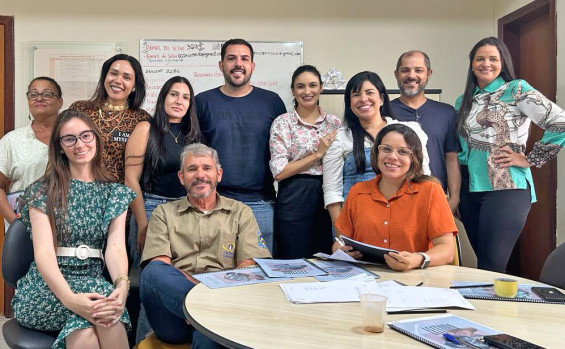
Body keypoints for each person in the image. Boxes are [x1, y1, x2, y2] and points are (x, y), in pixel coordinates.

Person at [13, 109, 135, 349]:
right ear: (59, 146)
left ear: (96, 140)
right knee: (104, 314)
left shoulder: (115, 192)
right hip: (46, 288)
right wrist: (70, 300)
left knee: (95, 324)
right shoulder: (42, 191)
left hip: (91, 282)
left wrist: (122, 284)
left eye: (85, 136)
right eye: (70, 139)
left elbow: (115, 248)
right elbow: (44, 255)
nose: (80, 144)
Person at [139, 143, 271, 347]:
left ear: (219, 174)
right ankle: (206, 310)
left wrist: (210, 304)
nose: (200, 175)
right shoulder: (163, 213)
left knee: (209, 329)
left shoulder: (240, 212)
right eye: (192, 169)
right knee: (153, 272)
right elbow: (160, 267)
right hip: (175, 316)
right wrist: (201, 296)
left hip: (224, 305)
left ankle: (206, 314)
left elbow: (249, 266)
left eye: (206, 168)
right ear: (182, 178)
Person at [455, 37, 565, 272]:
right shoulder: (462, 101)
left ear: (502, 63)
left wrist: (530, 159)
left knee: (491, 266)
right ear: (472, 64)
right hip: (470, 190)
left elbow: (560, 123)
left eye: (493, 59)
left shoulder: (517, 90)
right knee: (483, 266)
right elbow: (462, 151)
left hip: (506, 187)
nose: (486, 64)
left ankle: (494, 308)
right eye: (480, 59)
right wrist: (456, 193)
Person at [124, 76, 203, 344]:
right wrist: (143, 223)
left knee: (177, 277)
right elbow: (130, 180)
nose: (179, 101)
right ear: (163, 98)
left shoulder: (193, 134)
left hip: (183, 212)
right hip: (150, 206)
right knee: (149, 282)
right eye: (173, 94)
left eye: (185, 97)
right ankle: (144, 342)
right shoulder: (146, 129)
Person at [196, 38, 287, 252]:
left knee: (261, 273)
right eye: (231, 58)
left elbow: (284, 154)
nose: (238, 64)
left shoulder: (272, 102)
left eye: (244, 59)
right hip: (215, 203)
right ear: (221, 65)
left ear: (252, 66)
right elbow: (193, 154)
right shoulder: (202, 102)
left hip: (261, 203)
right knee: (215, 270)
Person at [333, 124, 456, 271]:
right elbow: (340, 241)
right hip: (364, 279)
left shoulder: (430, 191)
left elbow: (447, 250)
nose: (392, 156)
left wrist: (417, 259)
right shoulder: (357, 192)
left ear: (414, 158)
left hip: (414, 279)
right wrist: (340, 250)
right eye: (386, 149)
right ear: (376, 153)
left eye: (402, 152)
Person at [323, 71, 430, 225]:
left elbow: (423, 175)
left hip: (403, 217)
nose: (363, 99)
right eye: (356, 95)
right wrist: (340, 233)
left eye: (369, 92)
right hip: (356, 220)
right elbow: (332, 192)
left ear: (381, 98)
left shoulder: (409, 130)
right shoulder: (339, 138)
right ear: (349, 103)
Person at [269, 65, 341, 258]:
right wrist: (317, 154)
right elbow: (280, 172)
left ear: (321, 88)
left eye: (312, 85)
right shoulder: (283, 123)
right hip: (294, 195)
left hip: (328, 196)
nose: (307, 91)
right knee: (292, 258)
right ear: (293, 90)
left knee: (327, 257)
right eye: (300, 86)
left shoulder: (334, 123)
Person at [391, 50, 461, 212]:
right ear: (396, 74)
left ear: (429, 74)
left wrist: (455, 198)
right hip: (395, 198)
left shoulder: (446, 113)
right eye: (405, 70)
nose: (411, 75)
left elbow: (451, 158)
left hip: (437, 198)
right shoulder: (384, 112)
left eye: (418, 70)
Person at [70, 54, 150, 184]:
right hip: (79, 193)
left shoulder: (141, 119)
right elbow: (59, 152)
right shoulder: (80, 109)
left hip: (118, 199)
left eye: (126, 77)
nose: (118, 80)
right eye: (113, 73)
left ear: (134, 86)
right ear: (104, 77)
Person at [0, 77, 63, 228]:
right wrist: (16, 223)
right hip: (22, 222)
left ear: (60, 102)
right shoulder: (12, 140)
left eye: (47, 94)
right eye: (33, 95)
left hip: (65, 223)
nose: (39, 98)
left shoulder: (73, 138)